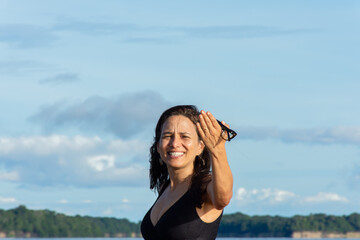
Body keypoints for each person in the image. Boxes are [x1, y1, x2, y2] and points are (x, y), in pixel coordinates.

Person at [141, 105, 235, 240]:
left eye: (184, 136)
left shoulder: (204, 187)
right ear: (158, 146)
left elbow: (222, 199)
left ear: (200, 147)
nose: (175, 143)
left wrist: (218, 150)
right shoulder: (164, 188)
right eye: (168, 136)